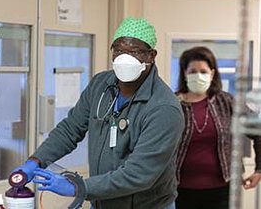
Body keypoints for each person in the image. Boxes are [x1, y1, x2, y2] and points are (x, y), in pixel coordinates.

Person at [10, 17, 185, 209]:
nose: (124, 58)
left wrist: (78, 187)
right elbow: (70, 129)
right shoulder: (101, 85)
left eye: (134, 51)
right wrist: (36, 160)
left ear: (151, 55)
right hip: (103, 203)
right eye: (118, 50)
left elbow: (139, 174)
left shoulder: (164, 109)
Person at [174, 46, 261, 209]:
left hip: (222, 191)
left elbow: (258, 130)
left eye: (203, 71)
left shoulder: (228, 102)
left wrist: (259, 169)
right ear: (185, 73)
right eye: (192, 71)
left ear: (212, 73)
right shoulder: (172, 104)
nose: (198, 75)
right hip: (178, 191)